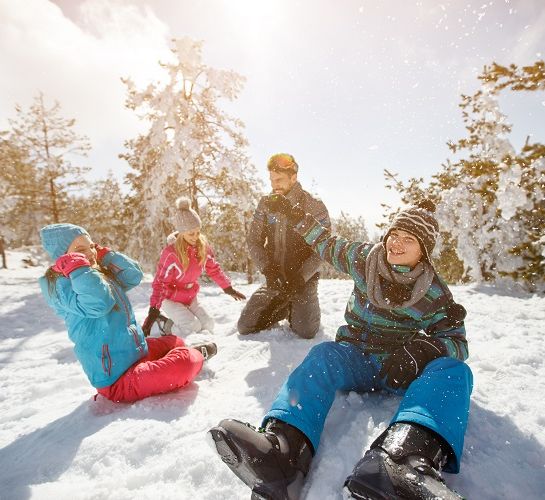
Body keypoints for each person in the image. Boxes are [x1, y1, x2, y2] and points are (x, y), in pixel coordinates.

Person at [209, 198, 472, 500]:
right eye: (393, 235)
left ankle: (403, 461)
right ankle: (284, 452)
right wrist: (298, 215)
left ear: (423, 251)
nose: (395, 244)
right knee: (322, 355)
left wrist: (423, 351)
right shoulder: (364, 259)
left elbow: (458, 343)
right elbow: (325, 243)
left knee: (454, 371)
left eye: (408, 239)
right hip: (354, 356)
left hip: (397, 368)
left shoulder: (434, 292)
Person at [39, 223, 216, 403]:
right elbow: (99, 303)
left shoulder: (94, 273)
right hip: (117, 378)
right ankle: (194, 356)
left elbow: (133, 276)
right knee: (185, 363)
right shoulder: (62, 286)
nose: (91, 253)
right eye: (80, 249)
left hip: (135, 352)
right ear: (62, 258)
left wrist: (105, 255)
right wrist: (78, 269)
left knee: (175, 341)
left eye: (91, 246)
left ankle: (176, 357)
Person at [237, 153, 330, 339]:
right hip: (276, 277)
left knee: (306, 331)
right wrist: (268, 269)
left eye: (279, 179)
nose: (274, 185)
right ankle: (282, 305)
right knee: (245, 326)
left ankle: (297, 306)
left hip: (302, 280)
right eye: (272, 180)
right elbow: (253, 240)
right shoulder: (265, 203)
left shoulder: (314, 205)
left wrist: (301, 277)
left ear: (293, 177)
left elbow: (323, 247)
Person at [143, 197, 246, 338]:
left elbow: (214, 269)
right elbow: (160, 283)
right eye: (191, 233)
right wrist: (153, 310)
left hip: (189, 297)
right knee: (192, 327)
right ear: (181, 233)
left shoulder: (202, 248)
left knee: (209, 324)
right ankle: (164, 325)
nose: (195, 237)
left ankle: (198, 337)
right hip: (170, 299)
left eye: (198, 232)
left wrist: (228, 288)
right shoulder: (171, 254)